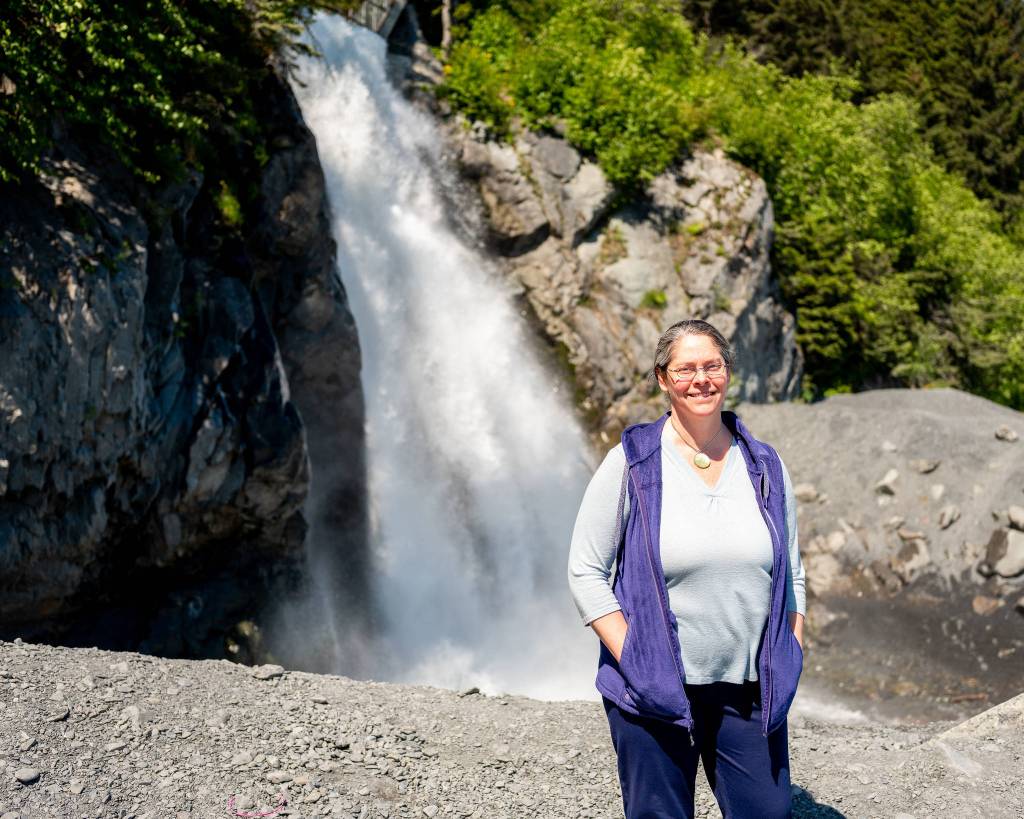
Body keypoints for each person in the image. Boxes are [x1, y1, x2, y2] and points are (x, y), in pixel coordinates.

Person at [567, 319, 806, 819]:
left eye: (712, 366)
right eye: (686, 369)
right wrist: (634, 655)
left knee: (769, 813)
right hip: (654, 688)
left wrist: (791, 648)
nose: (702, 379)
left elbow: (792, 574)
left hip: (748, 691)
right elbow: (585, 570)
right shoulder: (632, 462)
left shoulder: (764, 465)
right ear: (663, 378)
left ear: (727, 372)